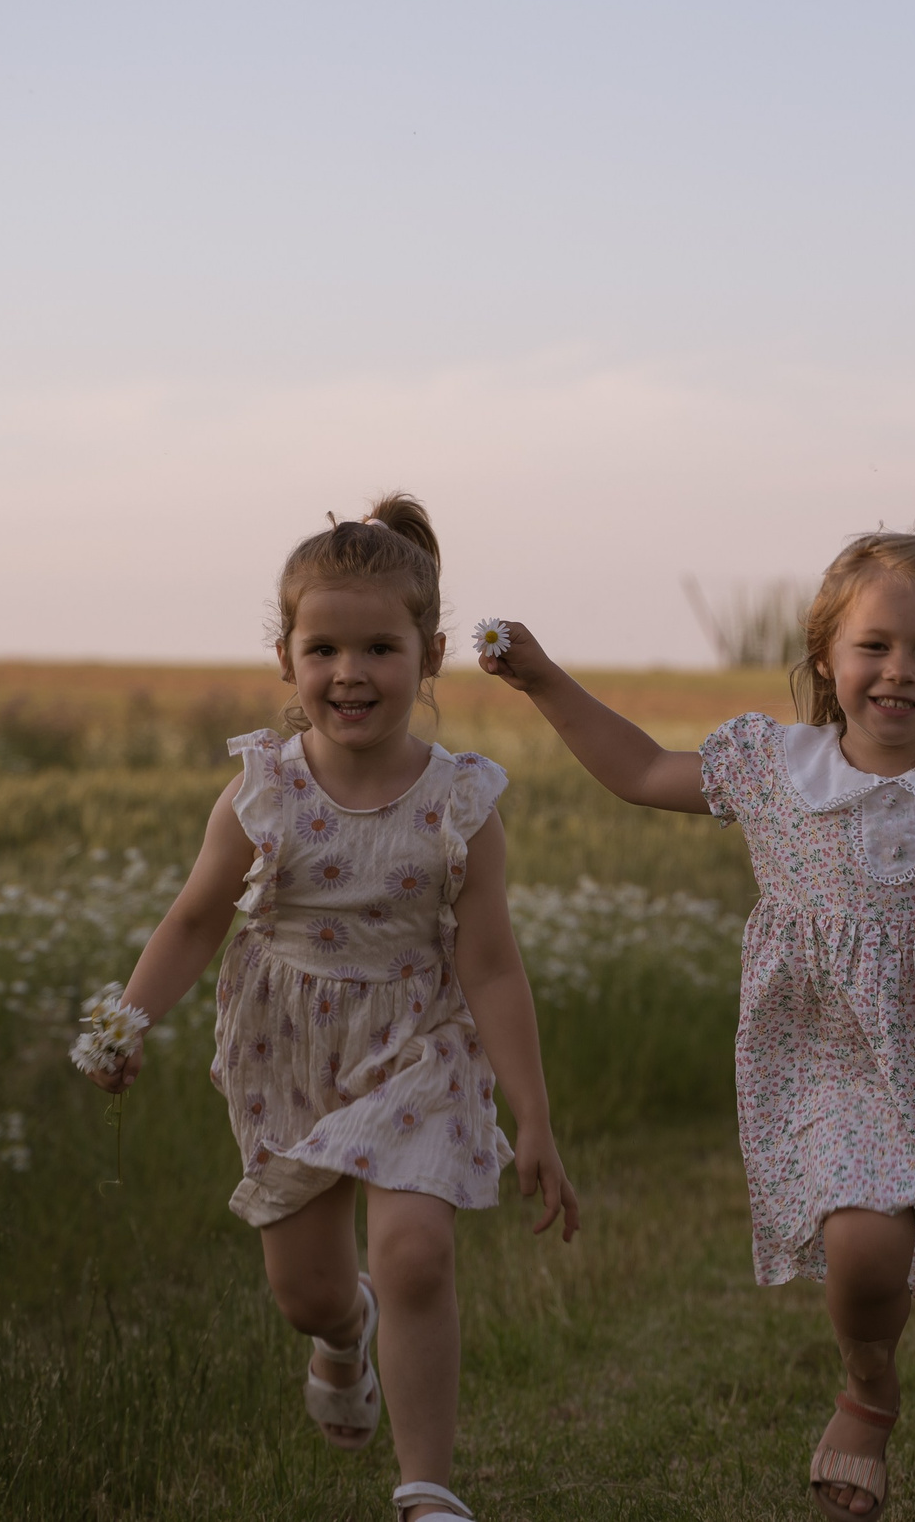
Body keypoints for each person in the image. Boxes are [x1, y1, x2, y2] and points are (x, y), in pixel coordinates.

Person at [479, 530, 915, 1522]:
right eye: (874, 647)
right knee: (862, 1246)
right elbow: (638, 771)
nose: (898, 672)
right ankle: (869, 1389)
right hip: (830, 1064)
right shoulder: (775, 769)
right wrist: (545, 679)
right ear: (825, 657)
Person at [78, 494, 578, 1522]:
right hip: (285, 1044)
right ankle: (343, 1334)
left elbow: (489, 965)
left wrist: (530, 1114)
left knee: (413, 1253)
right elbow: (191, 921)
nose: (350, 673)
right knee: (308, 1290)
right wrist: (125, 1022)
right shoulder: (260, 791)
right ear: (287, 657)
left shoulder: (461, 800)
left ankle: (426, 1489)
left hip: (418, 1044)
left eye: (380, 648)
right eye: (324, 648)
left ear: (429, 653)